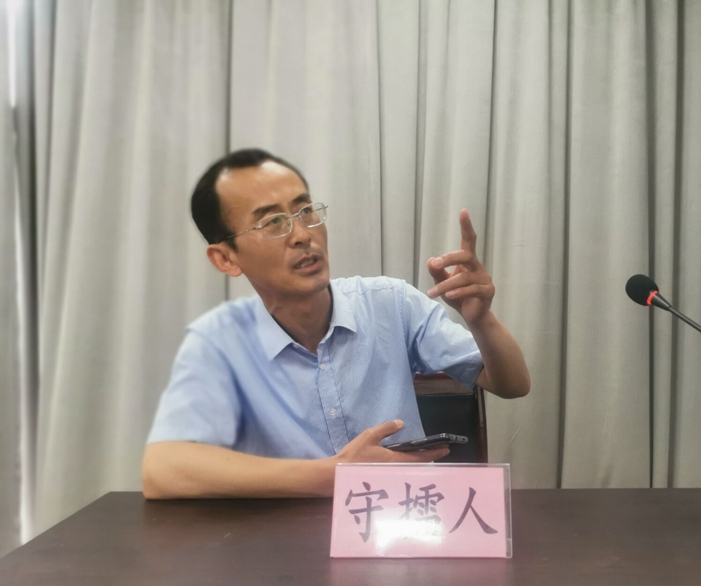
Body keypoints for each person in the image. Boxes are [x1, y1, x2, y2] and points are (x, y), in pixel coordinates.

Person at [142, 149, 530, 499]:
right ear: (226, 258)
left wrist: (482, 321)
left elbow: (513, 385)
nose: (301, 235)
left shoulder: (389, 303)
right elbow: (161, 471)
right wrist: (333, 475)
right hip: (287, 540)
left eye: (305, 212)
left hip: (402, 520)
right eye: (273, 222)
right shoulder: (220, 342)